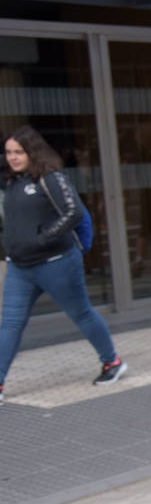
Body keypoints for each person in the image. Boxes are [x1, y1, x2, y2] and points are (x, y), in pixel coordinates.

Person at [0, 127, 126, 403]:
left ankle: (112, 362)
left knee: (81, 314)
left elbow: (74, 212)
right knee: (9, 323)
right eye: (9, 152)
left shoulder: (50, 178)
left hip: (56, 263)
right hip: (20, 267)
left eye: (18, 152)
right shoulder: (10, 181)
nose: (13, 157)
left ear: (32, 151)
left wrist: (44, 237)